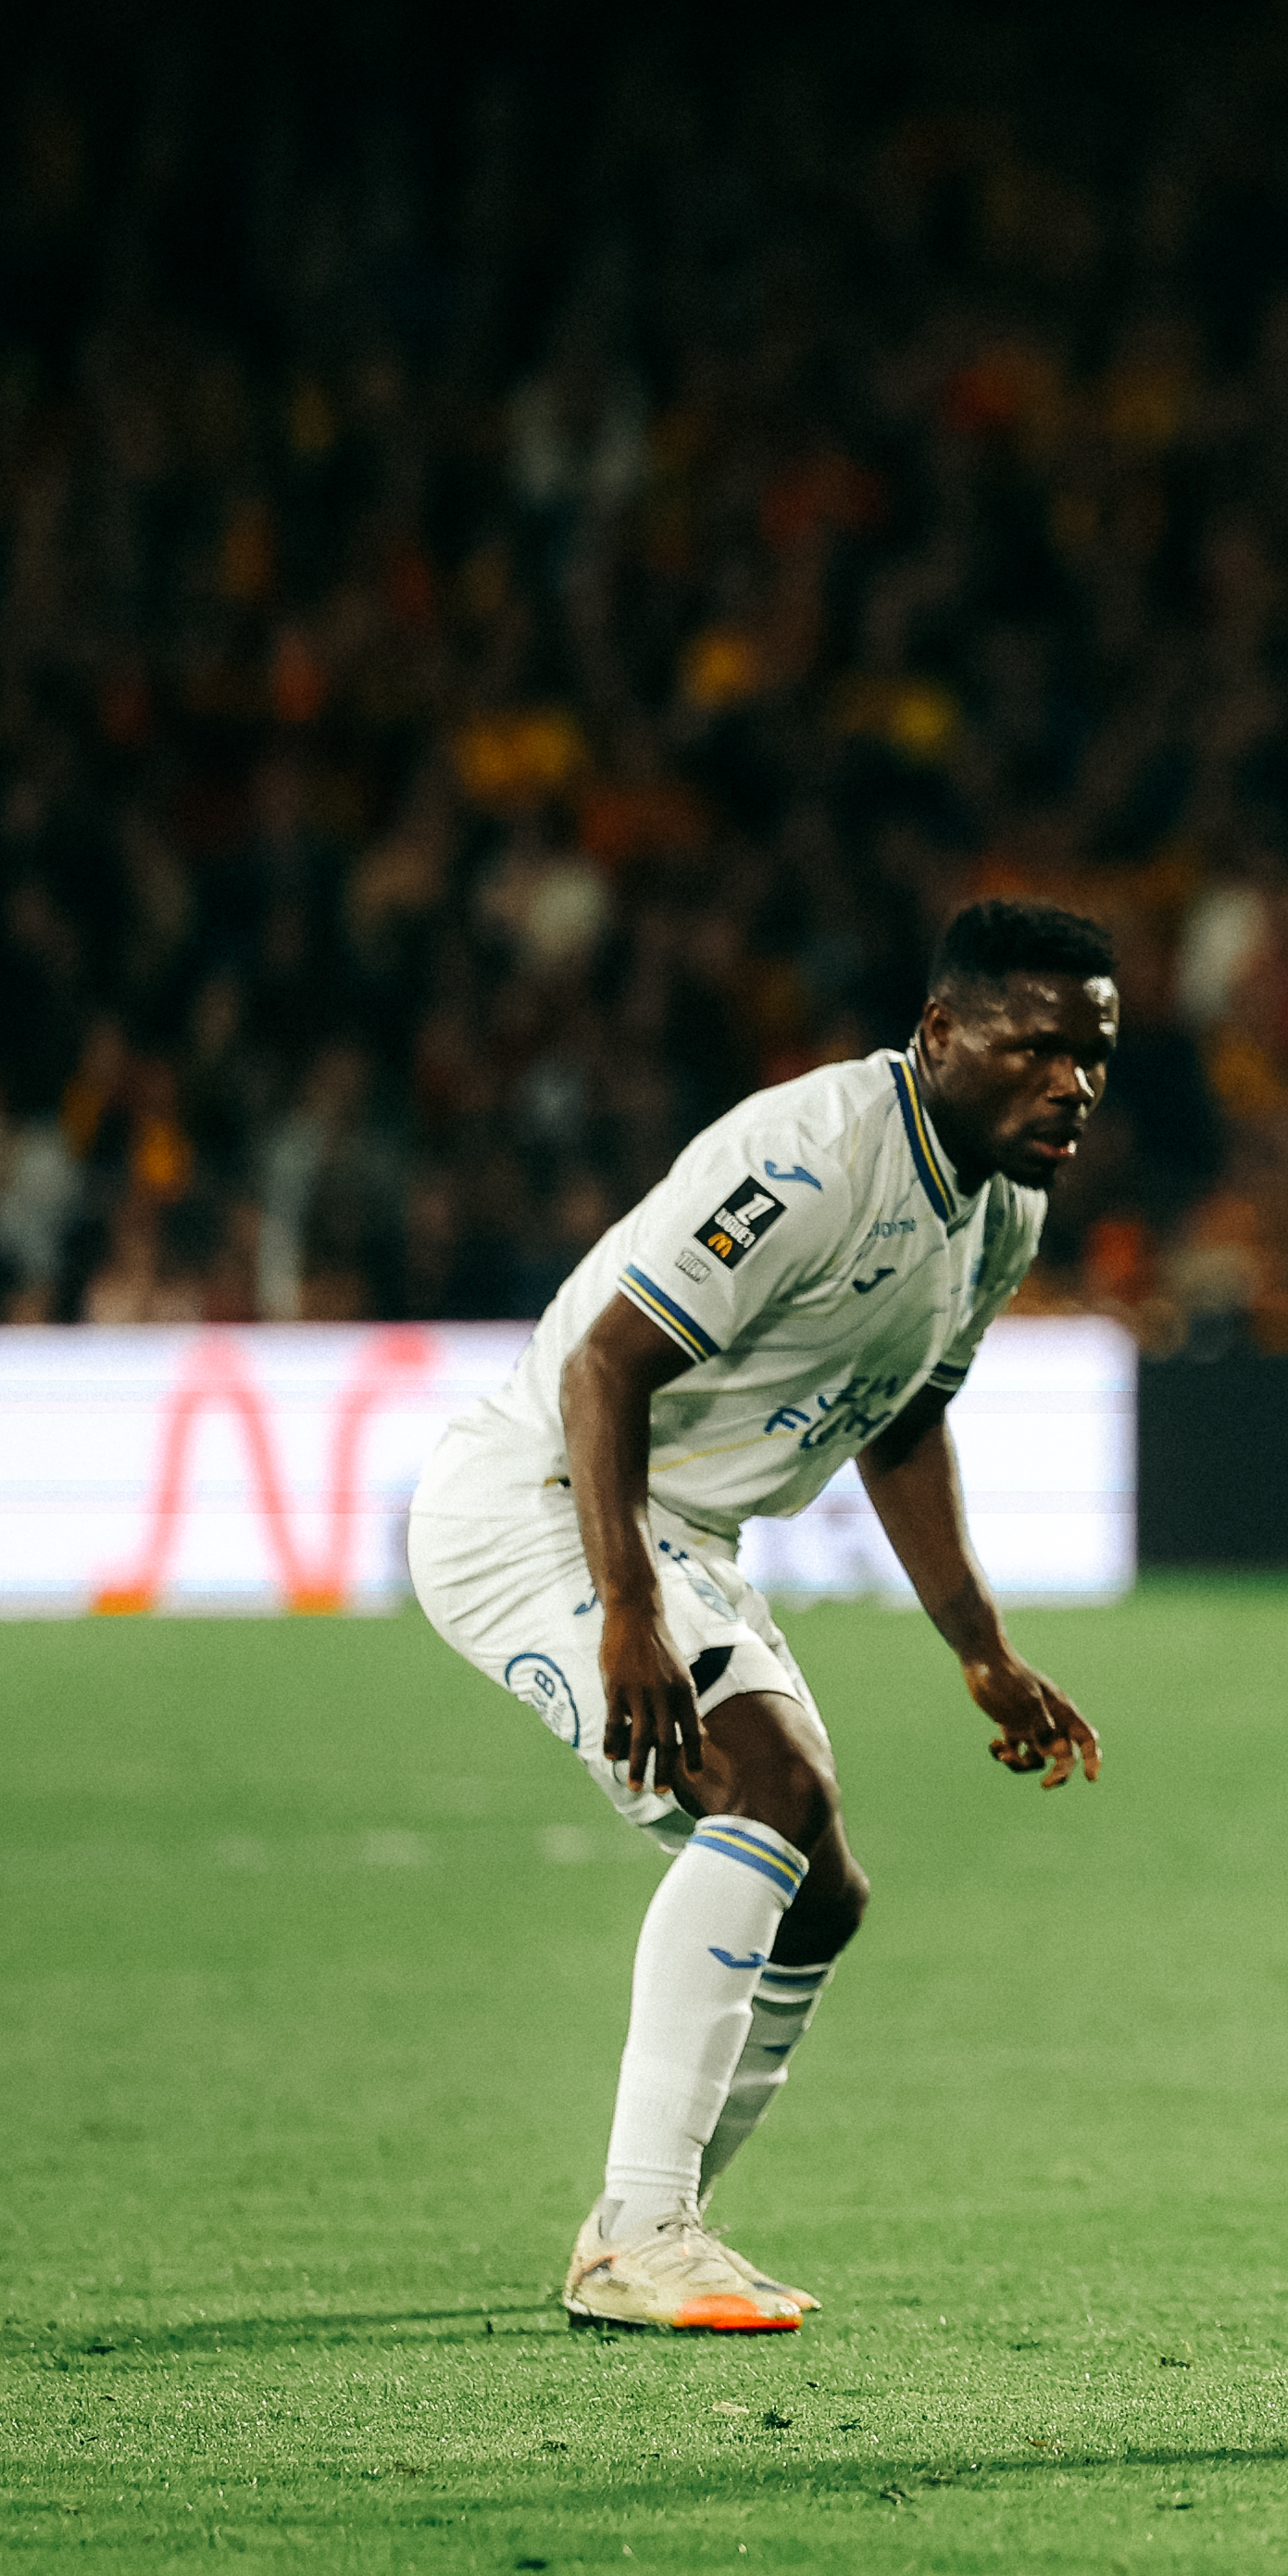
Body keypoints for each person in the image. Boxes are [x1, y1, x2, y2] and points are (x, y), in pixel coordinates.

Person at [409, 900, 1119, 2332]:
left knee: (823, 1891)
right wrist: (628, 1615)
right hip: (544, 1500)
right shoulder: (811, 1156)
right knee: (771, 1790)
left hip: (675, 1530)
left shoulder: (1005, 1211)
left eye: (1094, 1055)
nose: (1072, 1085)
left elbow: (903, 1423)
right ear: (939, 1033)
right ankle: (641, 2231)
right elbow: (605, 1367)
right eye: (1035, 1048)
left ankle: (649, 2223)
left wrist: (981, 1648)